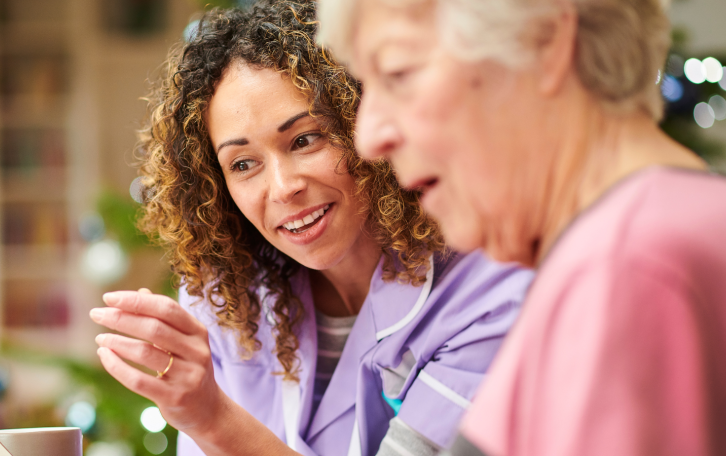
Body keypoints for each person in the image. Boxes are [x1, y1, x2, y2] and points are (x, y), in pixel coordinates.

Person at [88, 1, 533, 455]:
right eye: (243, 164)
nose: (283, 189)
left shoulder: (487, 290)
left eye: (305, 139)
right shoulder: (226, 298)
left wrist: (213, 418)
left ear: (363, 120)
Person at [317, 0, 726, 455]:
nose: (369, 137)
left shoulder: (624, 265)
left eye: (399, 73)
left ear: (545, 43)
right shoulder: (663, 227)